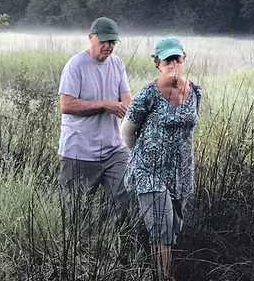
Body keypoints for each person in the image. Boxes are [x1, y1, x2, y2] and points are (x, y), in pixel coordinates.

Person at [120, 37, 201, 279]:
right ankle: (162, 277)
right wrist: (145, 155)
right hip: (150, 172)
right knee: (162, 232)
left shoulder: (195, 91)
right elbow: (126, 131)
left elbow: (190, 125)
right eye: (167, 60)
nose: (173, 64)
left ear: (183, 59)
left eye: (177, 58)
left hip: (181, 173)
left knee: (173, 230)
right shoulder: (148, 94)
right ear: (158, 64)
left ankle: (157, 268)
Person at [57, 17, 132, 213]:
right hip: (79, 151)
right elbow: (66, 105)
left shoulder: (117, 64)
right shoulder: (75, 65)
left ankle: (113, 240)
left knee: (125, 200)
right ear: (91, 38)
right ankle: (83, 243)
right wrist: (104, 105)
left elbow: (127, 99)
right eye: (104, 41)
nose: (108, 47)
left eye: (113, 42)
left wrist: (127, 110)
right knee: (75, 211)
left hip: (114, 149)